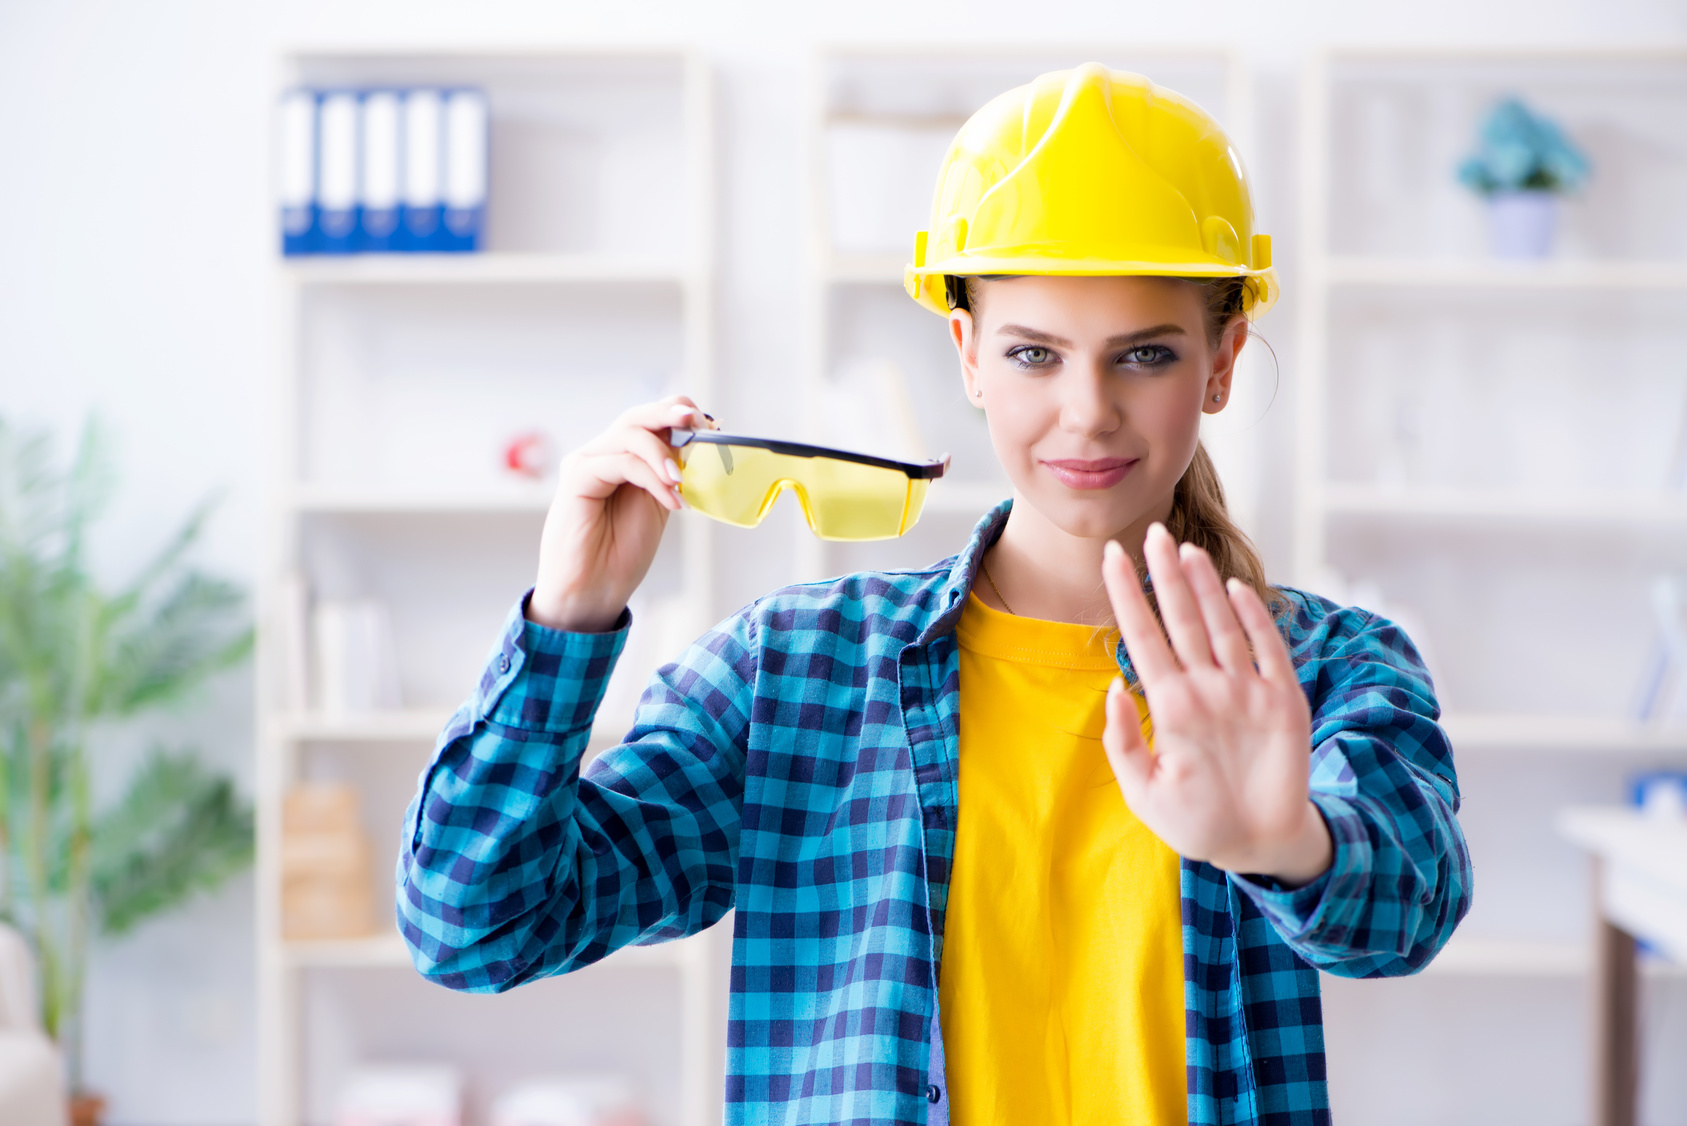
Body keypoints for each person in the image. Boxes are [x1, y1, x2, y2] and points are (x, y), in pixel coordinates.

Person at [397, 64, 1471, 1126]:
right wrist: (567, 618)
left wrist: (1282, 842)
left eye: (1144, 355)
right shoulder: (797, 674)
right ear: (966, 352)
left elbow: (1409, 908)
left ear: (1223, 360)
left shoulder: (1320, 666)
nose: (1086, 412)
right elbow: (474, 922)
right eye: (1034, 354)